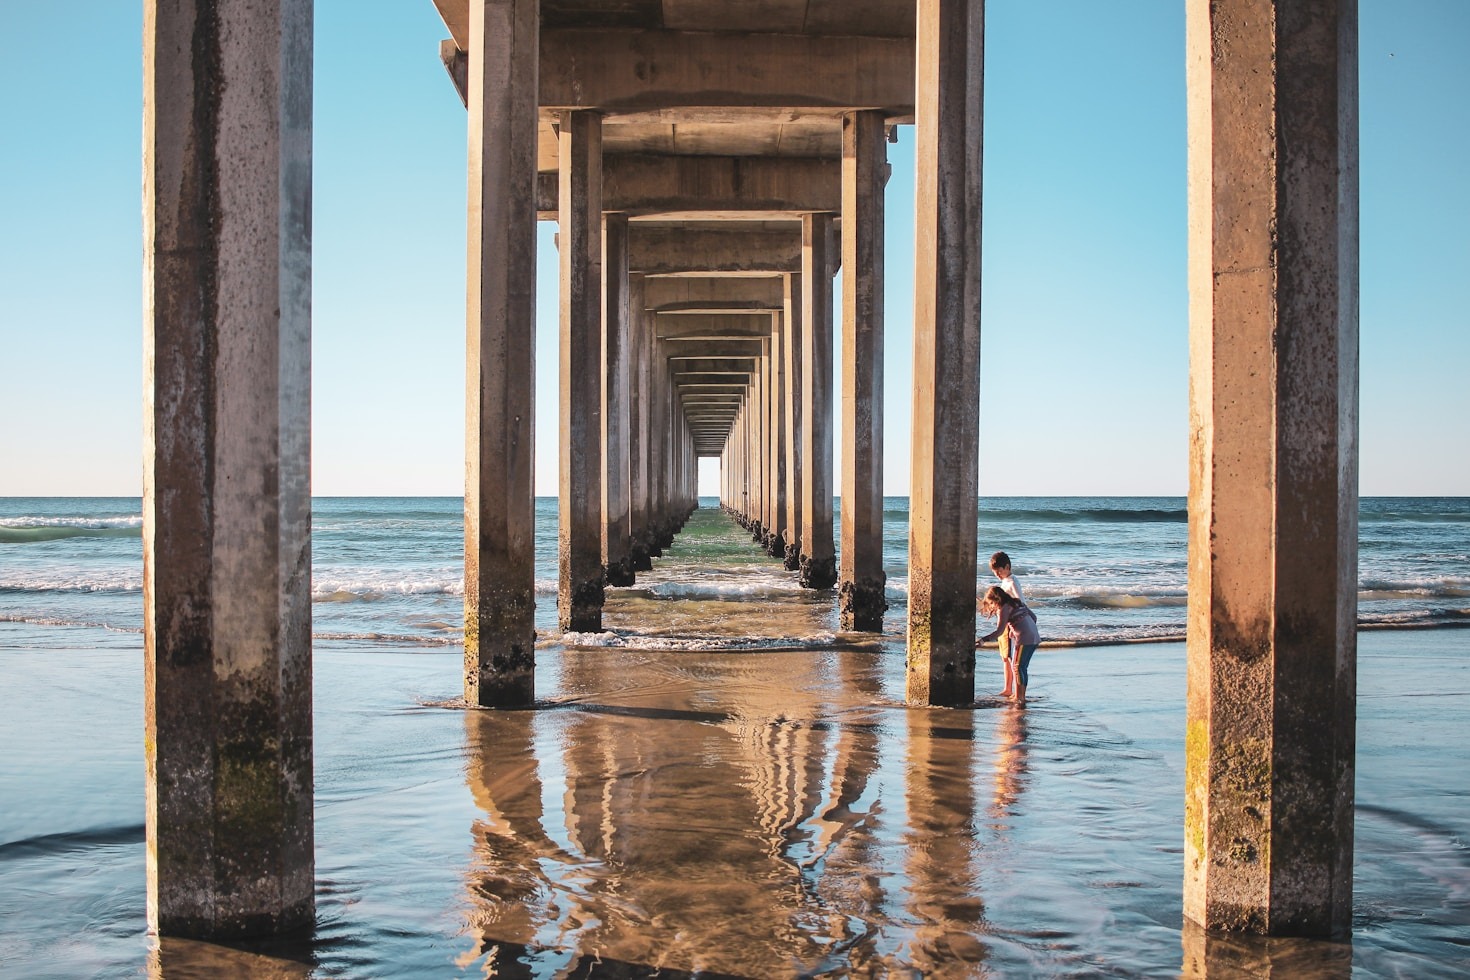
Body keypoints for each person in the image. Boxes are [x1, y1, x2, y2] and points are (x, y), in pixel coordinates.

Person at [978, 585, 1040, 705]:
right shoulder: (1017, 602)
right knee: (1022, 667)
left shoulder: (1003, 608)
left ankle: (1019, 697)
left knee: (1017, 667)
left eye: (991, 603)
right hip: (1035, 636)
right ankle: (1021, 695)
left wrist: (983, 640)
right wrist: (1016, 626)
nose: (991, 606)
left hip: (1024, 638)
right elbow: (1034, 617)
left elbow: (999, 631)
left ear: (996, 599)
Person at [984, 551, 1025, 697]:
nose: (997, 575)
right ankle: (1007, 688)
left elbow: (1020, 602)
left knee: (1011, 658)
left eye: (999, 571)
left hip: (1011, 625)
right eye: (995, 572)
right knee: (1004, 656)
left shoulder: (1012, 582)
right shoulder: (1005, 582)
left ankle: (1013, 689)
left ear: (1007, 567)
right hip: (1004, 624)